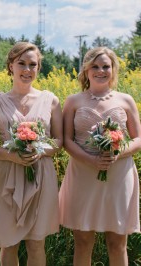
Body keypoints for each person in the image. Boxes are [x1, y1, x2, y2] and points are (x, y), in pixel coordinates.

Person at [59, 47, 141, 266]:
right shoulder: (73, 101)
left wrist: (117, 152)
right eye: (95, 66)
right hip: (83, 174)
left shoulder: (126, 100)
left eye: (106, 66)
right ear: (86, 70)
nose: (100, 71)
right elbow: (66, 140)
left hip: (118, 174)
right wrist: (92, 159)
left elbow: (138, 139)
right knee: (83, 242)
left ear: (113, 70)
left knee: (117, 243)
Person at [0, 42, 63, 266]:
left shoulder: (51, 100)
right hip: (8, 174)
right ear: (11, 66)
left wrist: (40, 151)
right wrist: (11, 156)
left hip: (41, 173)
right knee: (9, 242)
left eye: (33, 65)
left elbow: (59, 141)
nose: (27, 70)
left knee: (36, 243)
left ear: (38, 68)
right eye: (21, 63)